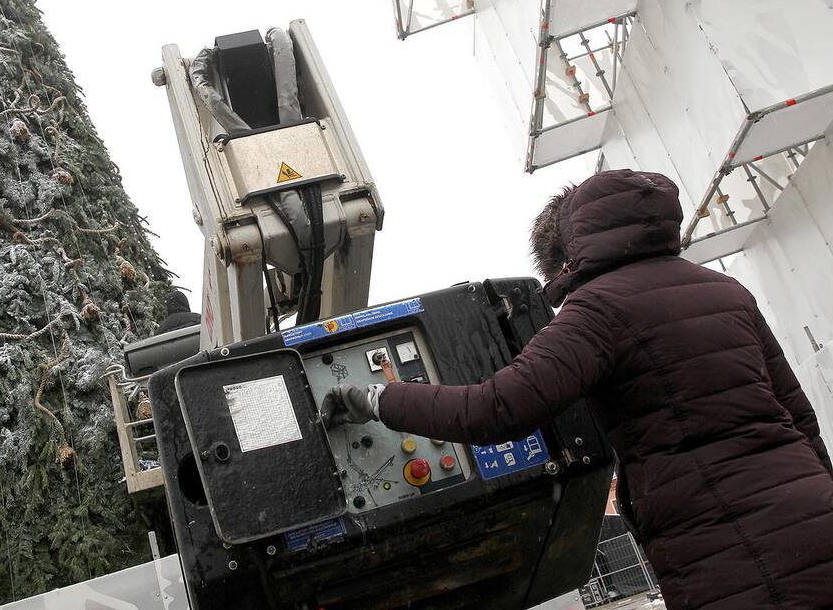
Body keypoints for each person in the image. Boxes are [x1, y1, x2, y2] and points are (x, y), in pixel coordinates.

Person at [320, 169, 833, 610]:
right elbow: (802, 420)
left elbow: (493, 409)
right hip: (814, 510)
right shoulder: (726, 290)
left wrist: (374, 398)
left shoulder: (599, 311)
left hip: (729, 547)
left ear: (569, 254)